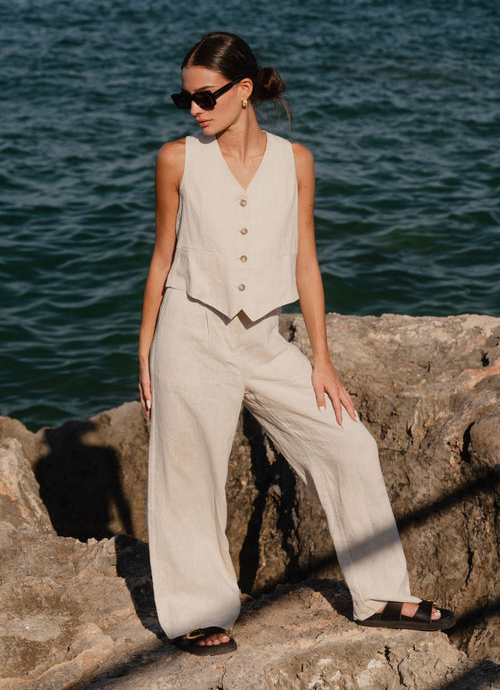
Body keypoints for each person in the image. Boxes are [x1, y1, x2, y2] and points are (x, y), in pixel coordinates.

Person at [138, 32, 455, 656]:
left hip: (264, 337)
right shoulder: (177, 160)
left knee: (348, 443)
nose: (195, 109)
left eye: (206, 96)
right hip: (190, 334)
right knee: (188, 475)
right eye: (185, 99)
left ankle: (381, 594)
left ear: (244, 90)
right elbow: (161, 259)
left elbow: (307, 261)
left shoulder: (296, 161)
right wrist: (145, 351)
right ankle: (197, 612)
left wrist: (323, 360)